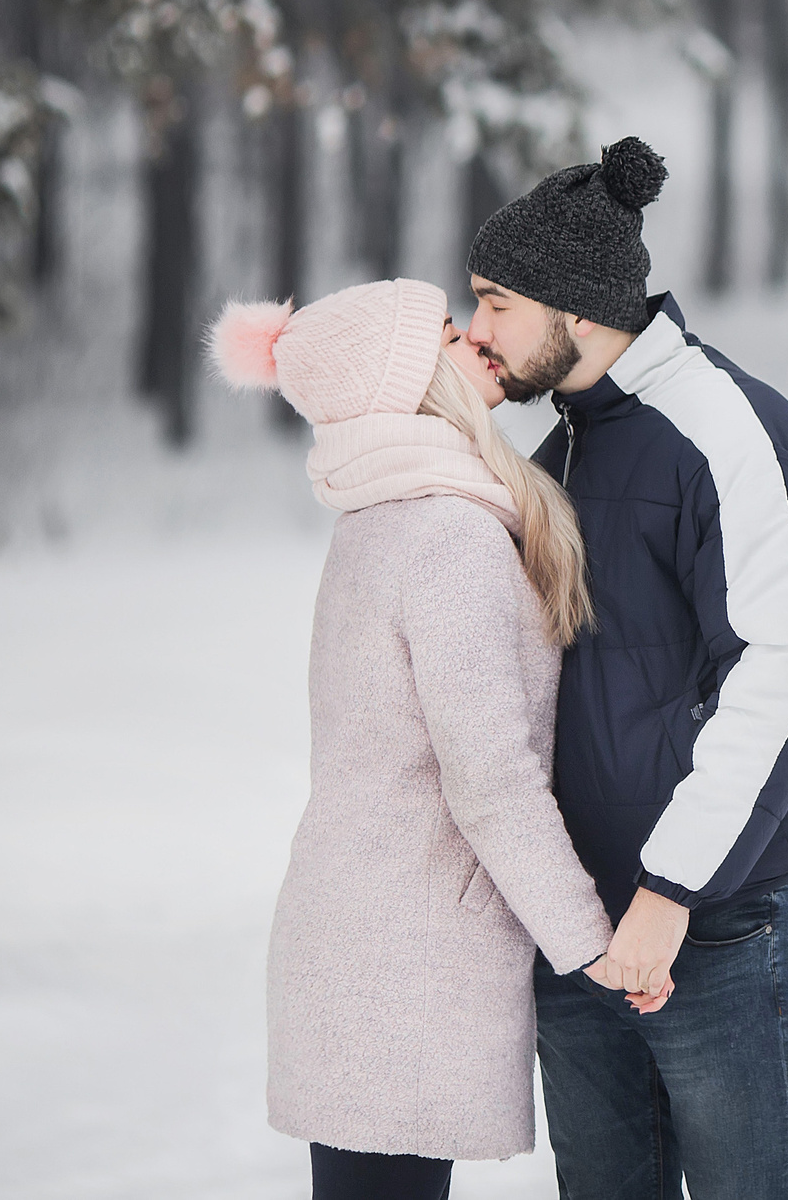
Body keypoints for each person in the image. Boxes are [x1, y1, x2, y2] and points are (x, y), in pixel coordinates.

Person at [209, 278, 660, 1200]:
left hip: (366, 950)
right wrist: (591, 943)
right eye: (451, 335)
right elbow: (489, 777)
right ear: (412, 383)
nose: (478, 344)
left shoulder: (383, 519)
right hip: (397, 972)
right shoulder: (447, 534)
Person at [462, 137, 788, 1200]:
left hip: (719, 929)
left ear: (577, 310)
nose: (474, 329)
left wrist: (670, 891)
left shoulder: (730, 433)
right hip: (584, 931)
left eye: (495, 303)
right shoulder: (567, 449)